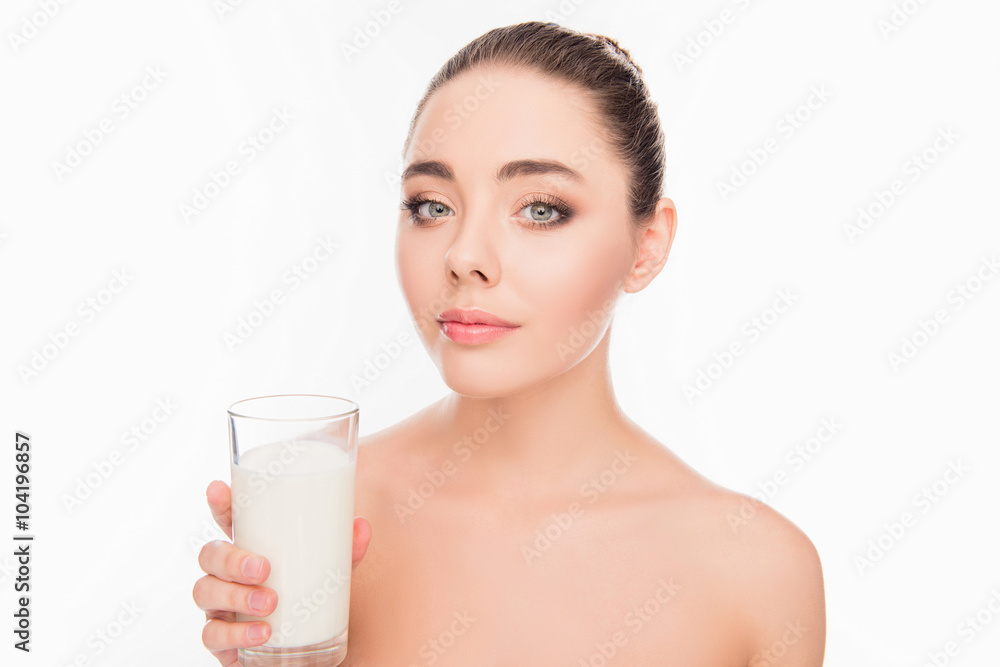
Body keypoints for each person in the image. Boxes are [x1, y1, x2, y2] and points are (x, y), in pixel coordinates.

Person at [193, 20, 826, 666]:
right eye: (432, 205)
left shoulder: (758, 574)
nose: (465, 256)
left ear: (648, 245)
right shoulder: (324, 519)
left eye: (541, 209)